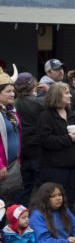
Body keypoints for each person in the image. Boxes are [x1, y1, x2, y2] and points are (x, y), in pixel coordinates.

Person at [37, 82, 75, 218]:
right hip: (55, 168)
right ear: (57, 96)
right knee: (53, 202)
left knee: (69, 201)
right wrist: (68, 139)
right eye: (66, 93)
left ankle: (67, 230)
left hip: (74, 167)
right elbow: (45, 141)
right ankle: (53, 231)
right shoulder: (46, 116)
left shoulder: (71, 114)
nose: (70, 95)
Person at [13, 73, 44, 204]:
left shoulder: (13, 103)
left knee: (23, 188)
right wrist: (49, 91)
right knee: (42, 187)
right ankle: (42, 217)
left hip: (21, 150)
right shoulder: (39, 102)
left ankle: (19, 217)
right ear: (34, 85)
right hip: (37, 149)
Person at [0, 76, 23, 205]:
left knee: (5, 203)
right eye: (8, 91)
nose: (12, 94)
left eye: (13, 91)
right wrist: (0, 164)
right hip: (2, 166)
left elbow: (17, 135)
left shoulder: (10, 111)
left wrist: (18, 160)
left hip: (12, 164)